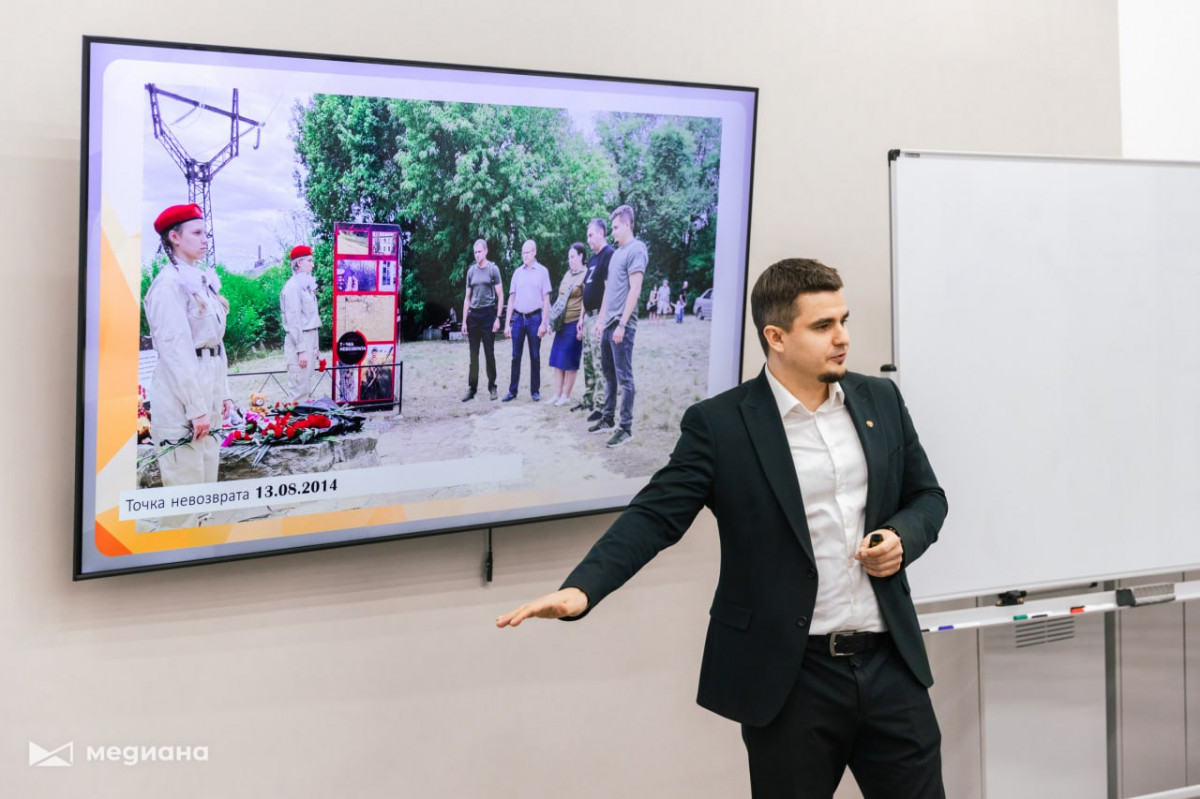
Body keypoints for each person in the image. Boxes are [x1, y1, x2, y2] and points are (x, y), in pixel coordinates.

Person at [497, 258, 948, 799]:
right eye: (823, 326)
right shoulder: (721, 425)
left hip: (890, 665)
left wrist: (901, 537)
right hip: (790, 679)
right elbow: (655, 515)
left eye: (843, 321)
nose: (843, 338)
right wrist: (582, 588)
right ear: (776, 337)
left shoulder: (881, 400)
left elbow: (927, 497)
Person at [144, 203, 236, 528]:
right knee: (185, 485)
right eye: (196, 233)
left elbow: (216, 343)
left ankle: (204, 543)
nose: (205, 239)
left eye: (205, 233)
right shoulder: (168, 285)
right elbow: (176, 352)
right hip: (181, 392)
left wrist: (224, 393)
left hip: (208, 381)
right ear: (175, 237)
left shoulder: (200, 281)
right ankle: (179, 548)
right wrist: (196, 408)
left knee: (207, 477)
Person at [588, 205, 646, 447]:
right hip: (608, 325)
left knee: (624, 378)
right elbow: (609, 291)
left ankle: (625, 428)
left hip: (622, 325)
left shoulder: (636, 249)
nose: (612, 233)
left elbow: (635, 288)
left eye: (615, 227)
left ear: (627, 224)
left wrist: (622, 324)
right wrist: (601, 320)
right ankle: (608, 419)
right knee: (609, 376)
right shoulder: (616, 255)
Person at [572, 218, 614, 420]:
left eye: (590, 235)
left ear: (601, 233)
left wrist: (601, 319)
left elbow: (608, 289)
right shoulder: (592, 260)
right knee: (588, 360)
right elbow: (586, 291)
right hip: (587, 316)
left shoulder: (608, 255)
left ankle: (601, 405)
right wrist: (581, 318)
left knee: (599, 361)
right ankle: (589, 399)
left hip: (599, 316)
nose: (588, 240)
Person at [503, 239, 551, 402]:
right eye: (523, 252)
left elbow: (546, 300)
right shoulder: (517, 273)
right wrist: (507, 324)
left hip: (535, 319)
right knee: (515, 356)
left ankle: (535, 391)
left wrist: (544, 323)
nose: (525, 255)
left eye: (528, 252)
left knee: (535, 356)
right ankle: (512, 391)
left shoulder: (542, 272)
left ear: (534, 252)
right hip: (518, 319)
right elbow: (511, 299)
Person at [460, 239, 504, 401]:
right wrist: (464, 321)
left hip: (488, 315)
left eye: (479, 251)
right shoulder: (471, 271)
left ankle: (492, 387)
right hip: (474, 316)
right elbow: (467, 298)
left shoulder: (493, 269)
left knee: (489, 353)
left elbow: (501, 295)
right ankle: (472, 388)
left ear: (486, 251)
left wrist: (498, 318)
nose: (477, 255)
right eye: (475, 252)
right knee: (473, 355)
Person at [279, 245, 322, 402]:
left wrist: (315, 346)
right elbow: (294, 321)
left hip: (309, 338)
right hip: (299, 340)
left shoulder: (305, 286)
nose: (313, 265)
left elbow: (311, 319)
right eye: (309, 261)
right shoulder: (292, 287)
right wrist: (301, 349)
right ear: (299, 263)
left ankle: (304, 416)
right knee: (299, 389)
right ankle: (296, 418)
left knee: (306, 385)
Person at [547, 243, 588, 406]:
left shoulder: (586, 274)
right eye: (569, 257)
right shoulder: (567, 274)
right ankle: (557, 394)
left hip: (575, 322)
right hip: (562, 323)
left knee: (570, 361)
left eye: (573, 257)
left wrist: (581, 322)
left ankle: (566, 395)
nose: (570, 260)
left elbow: (586, 300)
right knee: (558, 360)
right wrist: (552, 321)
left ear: (581, 256)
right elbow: (560, 299)